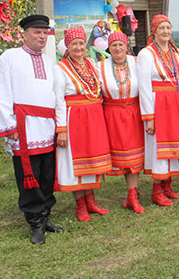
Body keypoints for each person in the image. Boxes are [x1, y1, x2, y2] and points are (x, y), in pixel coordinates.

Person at [0, 15, 63, 244]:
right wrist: (8, 125)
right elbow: (0, 92)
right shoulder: (9, 58)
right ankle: (35, 222)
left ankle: (45, 215)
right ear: (24, 33)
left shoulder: (50, 61)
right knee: (28, 176)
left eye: (45, 33)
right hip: (24, 127)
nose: (42, 36)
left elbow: (56, 95)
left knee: (47, 174)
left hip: (47, 127)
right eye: (36, 32)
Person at [54, 26, 112, 222]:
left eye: (81, 43)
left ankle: (92, 201)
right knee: (75, 162)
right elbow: (59, 100)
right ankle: (80, 205)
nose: (78, 47)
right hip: (74, 118)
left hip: (94, 116)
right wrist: (61, 129)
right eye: (73, 44)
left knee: (92, 157)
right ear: (66, 47)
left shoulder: (91, 63)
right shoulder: (60, 68)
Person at [137, 14, 179, 206]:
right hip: (158, 104)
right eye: (162, 28)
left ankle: (168, 185)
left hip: (175, 103)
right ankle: (157, 190)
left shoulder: (176, 53)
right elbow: (143, 87)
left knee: (175, 143)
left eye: (168, 28)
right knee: (159, 146)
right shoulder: (146, 54)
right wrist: (149, 117)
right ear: (154, 31)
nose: (166, 32)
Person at [97, 32, 145, 213]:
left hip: (134, 111)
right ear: (109, 48)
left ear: (127, 47)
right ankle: (131, 194)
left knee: (134, 156)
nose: (117, 48)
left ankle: (133, 195)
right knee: (123, 156)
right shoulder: (99, 66)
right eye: (114, 45)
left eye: (121, 45)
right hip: (112, 114)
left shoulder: (137, 62)